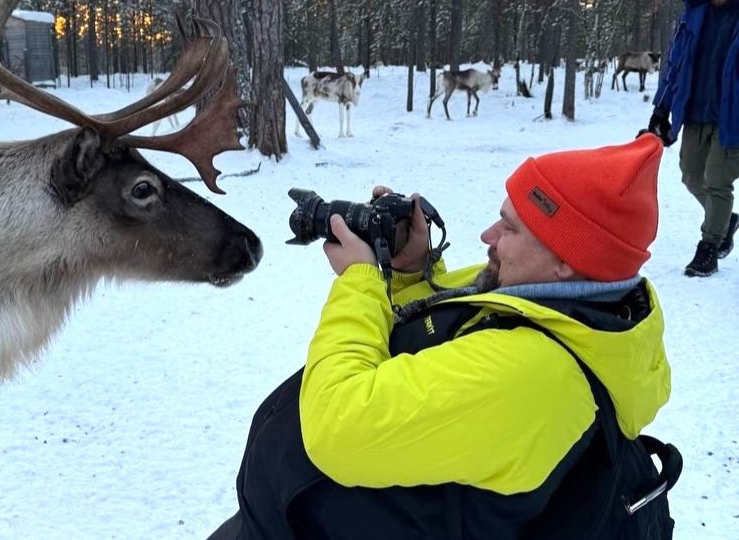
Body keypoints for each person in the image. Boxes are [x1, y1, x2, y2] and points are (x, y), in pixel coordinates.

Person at [208, 135, 673, 540]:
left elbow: (337, 426)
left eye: (509, 228)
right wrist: (413, 271)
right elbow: (459, 328)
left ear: (567, 261)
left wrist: (358, 281)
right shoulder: (552, 300)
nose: (487, 236)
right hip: (297, 516)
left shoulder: (538, 379)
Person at [647, 0, 739, 277]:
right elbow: (675, 65)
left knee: (717, 181)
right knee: (691, 174)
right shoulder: (693, 15)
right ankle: (725, 220)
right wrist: (661, 109)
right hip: (697, 111)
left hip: (732, 118)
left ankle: (709, 246)